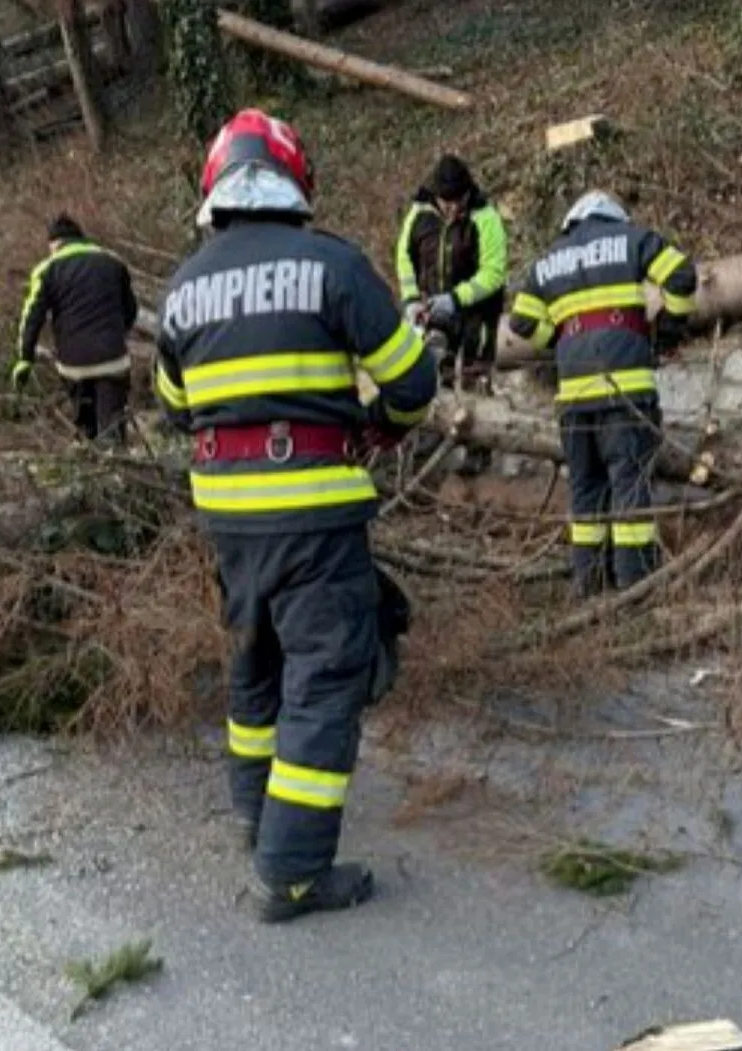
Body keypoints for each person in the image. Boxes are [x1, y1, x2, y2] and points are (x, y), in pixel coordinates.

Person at [154, 108, 437, 924]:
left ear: (216, 192)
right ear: (293, 182)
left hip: (229, 523)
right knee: (326, 676)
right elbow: (413, 384)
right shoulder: (333, 268)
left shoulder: (181, 290)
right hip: (314, 516)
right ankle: (293, 873)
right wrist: (379, 428)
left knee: (256, 665)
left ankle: (255, 818)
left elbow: (178, 409)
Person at [508, 190, 698, 597]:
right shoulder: (633, 240)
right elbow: (682, 276)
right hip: (625, 391)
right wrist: (667, 332)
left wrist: (559, 339)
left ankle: (587, 581)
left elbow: (522, 321)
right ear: (613, 217)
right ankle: (634, 582)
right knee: (630, 483)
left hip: (574, 399)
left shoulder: (549, 262)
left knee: (585, 486)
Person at [13, 214, 139, 445]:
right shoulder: (113, 261)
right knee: (112, 423)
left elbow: (32, 316)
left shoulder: (47, 269)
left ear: (55, 244)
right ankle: (118, 463)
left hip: (73, 364)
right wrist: (118, 334)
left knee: (85, 426)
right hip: (113, 357)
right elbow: (130, 309)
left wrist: (25, 358)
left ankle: (88, 453)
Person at [394, 154, 509, 392]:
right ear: (436, 197)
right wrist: (411, 299)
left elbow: (494, 272)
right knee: (436, 378)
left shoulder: (485, 217)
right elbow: (405, 257)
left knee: (475, 381)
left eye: (460, 201)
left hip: (478, 315)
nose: (454, 209)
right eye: (448, 203)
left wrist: (456, 299)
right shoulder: (419, 214)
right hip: (435, 310)